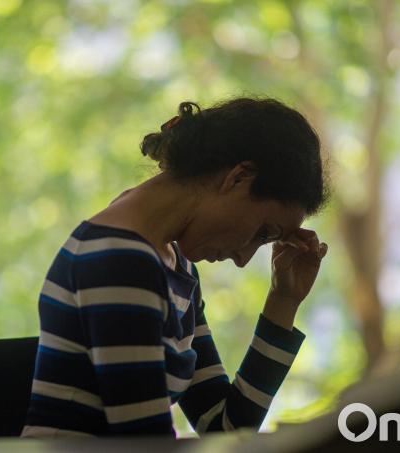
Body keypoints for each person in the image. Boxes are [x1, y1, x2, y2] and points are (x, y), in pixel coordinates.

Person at [20, 97, 329, 438]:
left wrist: (283, 300)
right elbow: (146, 444)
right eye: (262, 233)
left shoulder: (172, 267)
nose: (243, 259)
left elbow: (224, 429)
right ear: (239, 178)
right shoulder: (118, 260)